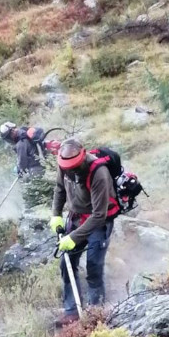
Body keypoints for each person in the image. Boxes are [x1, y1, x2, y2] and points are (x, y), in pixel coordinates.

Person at [50, 138, 120, 327]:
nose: (70, 170)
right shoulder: (63, 164)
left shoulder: (99, 173)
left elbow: (99, 215)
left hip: (99, 222)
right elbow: (59, 189)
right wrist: (56, 215)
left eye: (73, 166)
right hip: (76, 217)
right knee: (67, 263)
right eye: (66, 166)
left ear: (82, 156)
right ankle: (72, 311)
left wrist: (73, 237)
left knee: (93, 267)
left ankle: (95, 312)